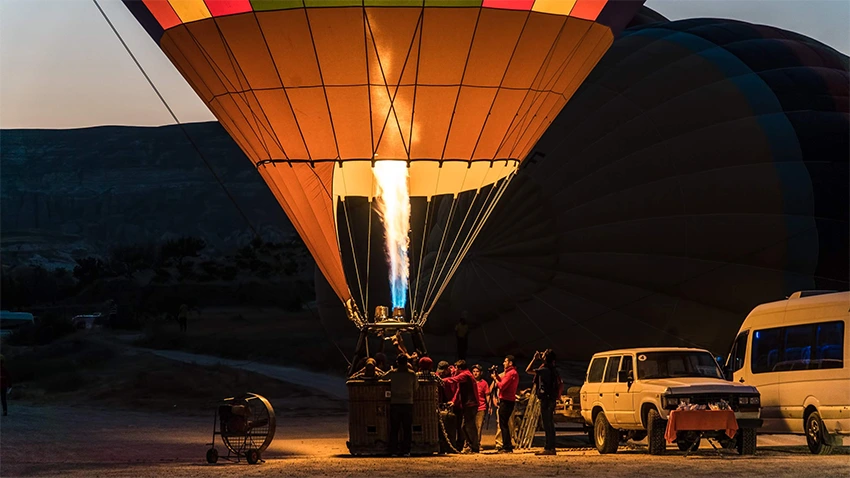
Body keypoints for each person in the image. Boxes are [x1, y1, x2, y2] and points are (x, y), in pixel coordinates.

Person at [527, 349, 562, 455]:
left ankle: (548, 447)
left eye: (544, 354)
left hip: (546, 399)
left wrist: (534, 359)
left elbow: (528, 370)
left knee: (547, 424)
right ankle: (551, 447)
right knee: (550, 423)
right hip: (551, 398)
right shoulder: (553, 369)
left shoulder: (545, 370)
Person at [441, 360, 480, 453]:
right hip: (469, 404)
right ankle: (471, 446)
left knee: (469, 426)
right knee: (465, 426)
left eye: (456, 368)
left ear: (459, 368)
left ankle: (474, 447)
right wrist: (454, 401)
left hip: (471, 404)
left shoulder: (465, 375)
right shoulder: (466, 374)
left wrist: (441, 380)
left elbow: (453, 380)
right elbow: (459, 390)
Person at [387, 355, 419, 456]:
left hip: (395, 402)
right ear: (407, 363)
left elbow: (382, 377)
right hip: (408, 403)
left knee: (394, 428)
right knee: (407, 428)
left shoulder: (392, 373)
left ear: (397, 362)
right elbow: (416, 388)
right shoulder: (412, 374)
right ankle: (406, 450)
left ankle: (393, 450)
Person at [491, 355, 519, 453]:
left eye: (505, 361)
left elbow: (502, 386)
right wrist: (497, 376)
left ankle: (507, 446)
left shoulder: (511, 373)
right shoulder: (511, 373)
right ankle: (506, 445)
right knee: (504, 424)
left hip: (506, 401)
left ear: (510, 363)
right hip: (508, 401)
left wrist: (495, 379)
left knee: (503, 424)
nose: (503, 363)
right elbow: (503, 381)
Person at [471, 365, 489, 445]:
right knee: (470, 426)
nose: (475, 373)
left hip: (481, 407)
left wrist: (489, 406)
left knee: (479, 426)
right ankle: (469, 443)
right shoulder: (470, 382)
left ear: (481, 373)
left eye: (477, 371)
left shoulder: (484, 383)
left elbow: (487, 395)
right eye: (474, 371)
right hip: (471, 407)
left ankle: (477, 444)